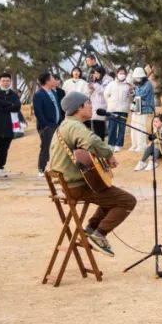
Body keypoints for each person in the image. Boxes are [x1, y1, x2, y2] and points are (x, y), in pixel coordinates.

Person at [47, 91, 133, 257]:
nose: (92, 107)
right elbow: (92, 141)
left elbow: (85, 150)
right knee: (127, 200)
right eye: (89, 104)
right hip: (76, 186)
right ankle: (99, 235)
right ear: (79, 107)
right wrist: (108, 154)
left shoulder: (66, 125)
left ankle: (90, 229)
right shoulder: (74, 126)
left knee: (110, 196)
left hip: (71, 184)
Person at [32, 73, 63, 178]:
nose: (55, 80)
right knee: (46, 147)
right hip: (47, 126)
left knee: (57, 148)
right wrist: (46, 125)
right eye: (53, 78)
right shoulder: (38, 94)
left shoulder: (53, 92)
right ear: (47, 81)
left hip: (57, 124)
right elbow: (38, 112)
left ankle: (55, 168)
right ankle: (41, 168)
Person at [103, 67, 132, 151]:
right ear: (117, 74)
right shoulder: (111, 84)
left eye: (123, 73)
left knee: (122, 128)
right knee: (112, 127)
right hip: (112, 109)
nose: (122, 75)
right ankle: (111, 144)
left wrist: (131, 91)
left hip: (123, 110)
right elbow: (106, 94)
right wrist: (110, 103)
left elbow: (131, 98)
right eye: (120, 73)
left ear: (126, 75)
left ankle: (119, 145)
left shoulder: (128, 85)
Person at [129, 67, 155, 153]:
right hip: (136, 107)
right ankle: (134, 144)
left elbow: (140, 94)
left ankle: (142, 145)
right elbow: (135, 95)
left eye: (138, 78)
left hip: (144, 109)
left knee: (140, 127)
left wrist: (133, 90)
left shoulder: (148, 84)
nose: (137, 80)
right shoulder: (138, 85)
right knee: (133, 126)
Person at [86, 68, 108, 139]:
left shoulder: (105, 81)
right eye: (94, 73)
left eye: (96, 73)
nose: (95, 75)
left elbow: (103, 91)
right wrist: (90, 88)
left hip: (101, 106)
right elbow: (89, 94)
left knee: (101, 127)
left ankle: (101, 142)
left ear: (101, 73)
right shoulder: (93, 82)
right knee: (95, 127)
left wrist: (95, 85)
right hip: (94, 107)